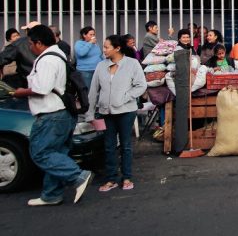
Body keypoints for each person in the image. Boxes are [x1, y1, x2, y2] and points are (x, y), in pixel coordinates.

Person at [11, 24, 92, 206]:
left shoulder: (47, 60)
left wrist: (20, 92)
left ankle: (77, 176)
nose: (30, 47)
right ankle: (51, 194)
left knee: (41, 152)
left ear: (39, 43)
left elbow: (42, 88)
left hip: (51, 113)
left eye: (31, 43)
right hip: (62, 113)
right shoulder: (59, 54)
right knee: (56, 153)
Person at [85, 34, 147, 192]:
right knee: (109, 146)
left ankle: (127, 177)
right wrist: (90, 113)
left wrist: (126, 97)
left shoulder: (132, 64)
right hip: (106, 111)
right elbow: (93, 91)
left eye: (107, 47)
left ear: (117, 48)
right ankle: (111, 178)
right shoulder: (100, 66)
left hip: (126, 110)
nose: (104, 50)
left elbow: (141, 85)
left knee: (126, 145)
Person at [0, 21, 41, 88]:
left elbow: (2, 59)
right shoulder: (50, 42)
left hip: (26, 83)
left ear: (28, 31)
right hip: (46, 83)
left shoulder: (19, 44)